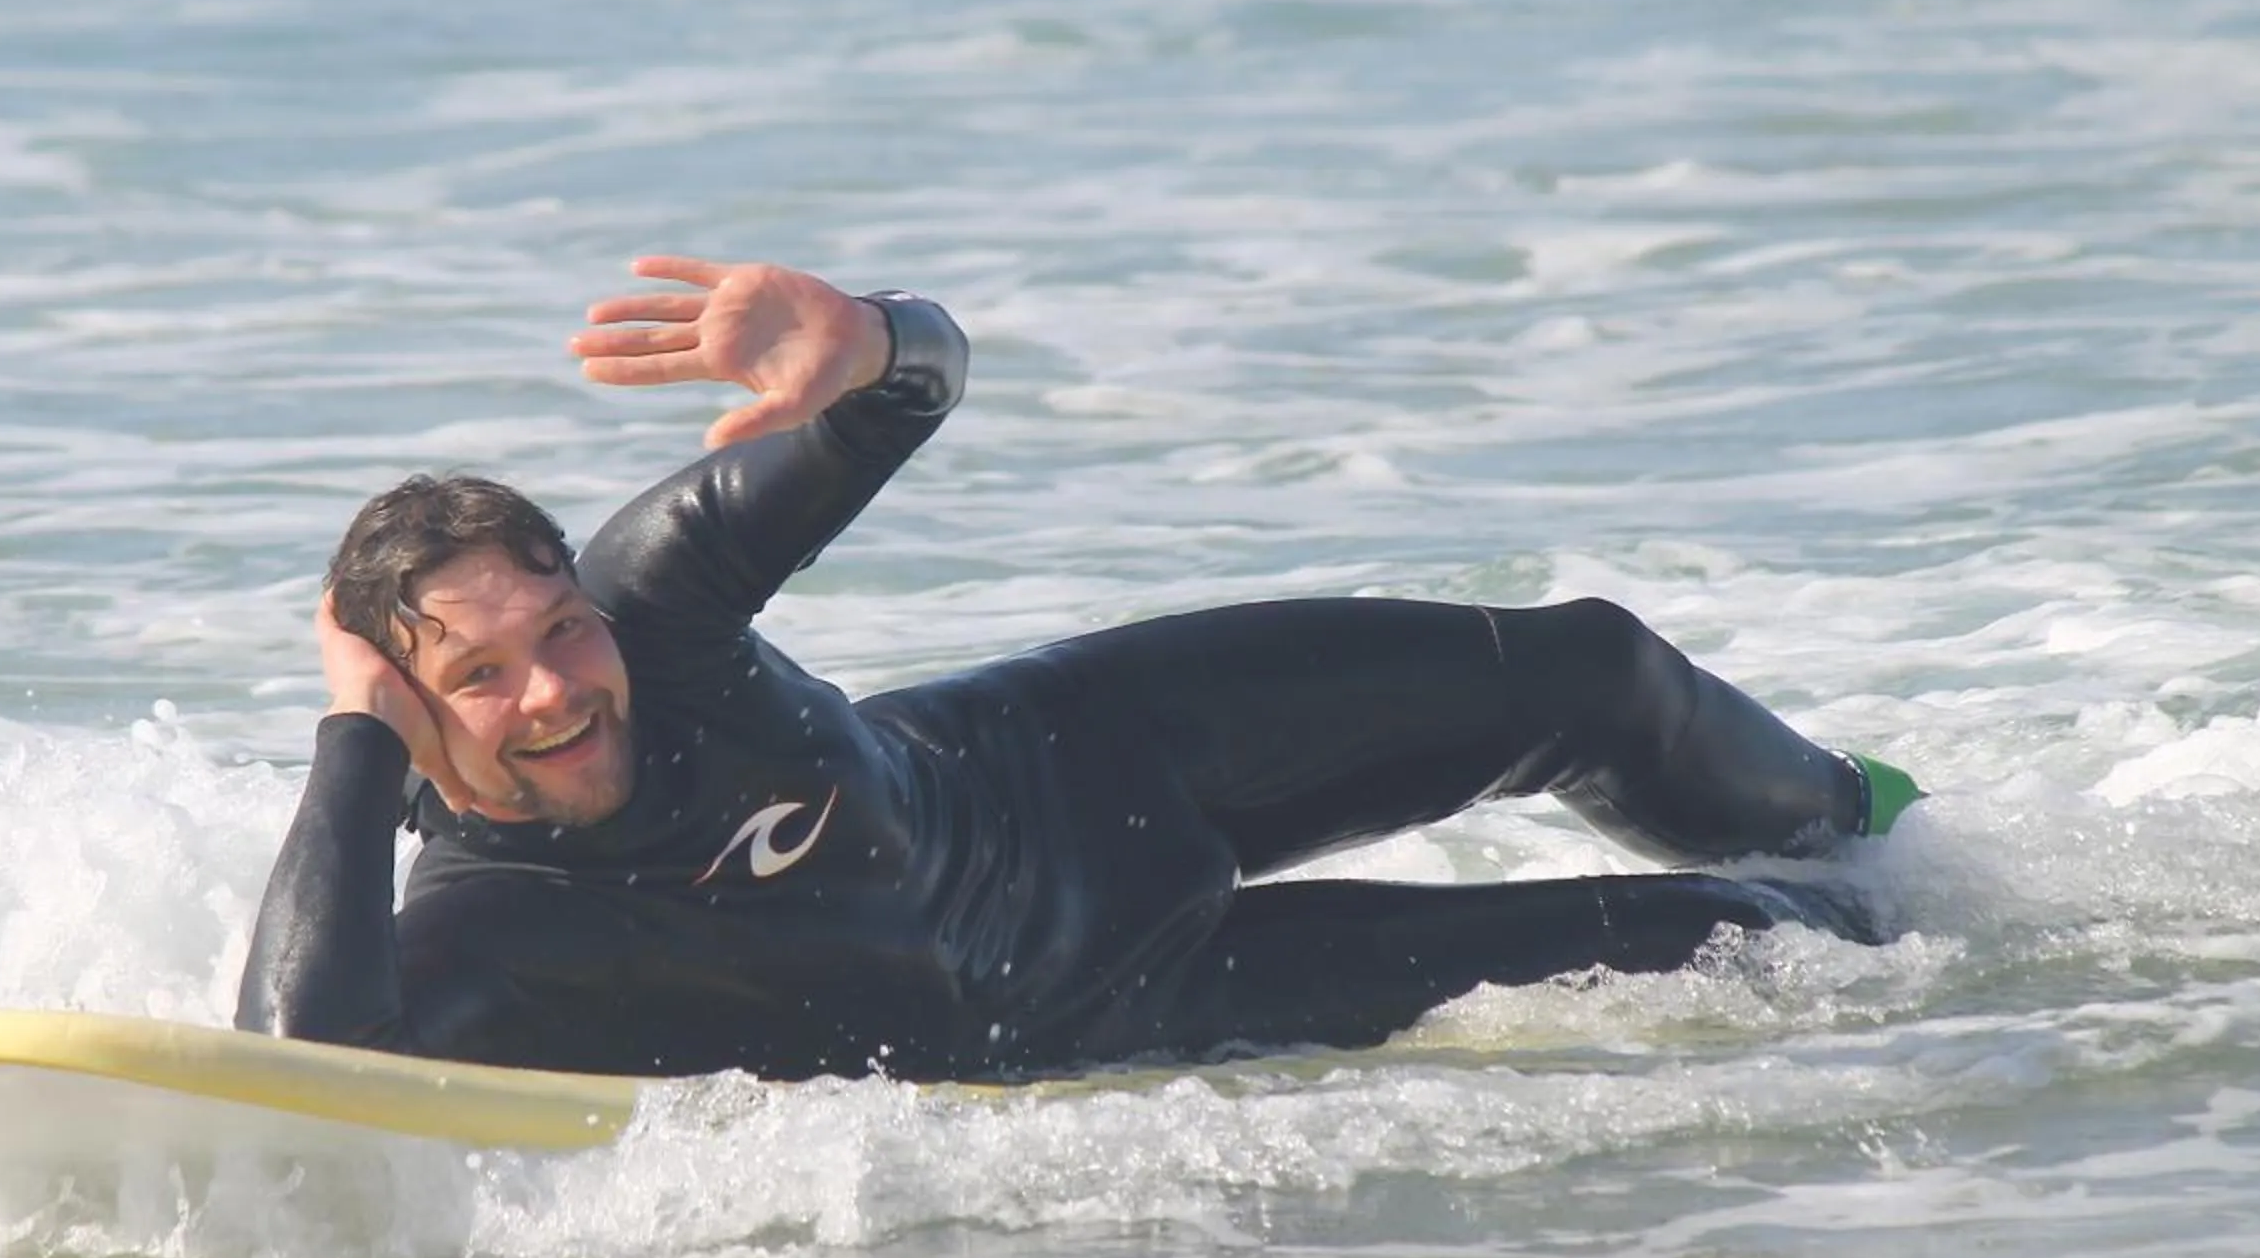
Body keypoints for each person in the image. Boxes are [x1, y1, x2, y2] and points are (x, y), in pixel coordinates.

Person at [237, 257, 1920, 1080]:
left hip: (1073, 772)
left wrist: (872, 344)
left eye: (557, 632)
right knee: (1725, 943)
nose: (554, 691)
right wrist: (350, 748)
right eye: (477, 685)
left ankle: (1885, 829)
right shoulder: (464, 927)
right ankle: (1934, 939)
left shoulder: (657, 604)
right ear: (406, 720)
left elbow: (919, 378)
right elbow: (295, 1076)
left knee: (1593, 670)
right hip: (1114, 1011)